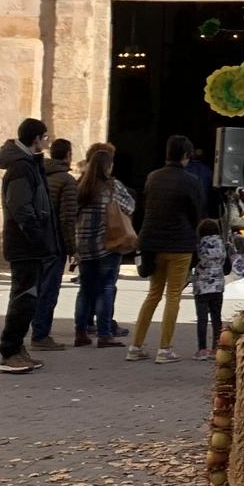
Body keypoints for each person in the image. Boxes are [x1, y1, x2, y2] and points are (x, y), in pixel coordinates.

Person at [129, 134, 205, 361]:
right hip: (179, 244)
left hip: (153, 242)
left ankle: (136, 346)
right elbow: (196, 213)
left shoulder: (153, 177)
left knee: (153, 294)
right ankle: (165, 348)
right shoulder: (191, 181)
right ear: (185, 155)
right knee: (173, 296)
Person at [0, 118, 55, 375]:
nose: (48, 141)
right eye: (45, 137)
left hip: (29, 243)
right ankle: (9, 351)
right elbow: (21, 207)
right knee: (23, 298)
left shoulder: (29, 164)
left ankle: (17, 348)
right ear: (37, 139)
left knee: (27, 299)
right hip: (25, 245)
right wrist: (37, 237)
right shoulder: (21, 167)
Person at [72, 145, 133, 348]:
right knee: (106, 288)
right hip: (108, 244)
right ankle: (104, 333)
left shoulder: (80, 187)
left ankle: (80, 332)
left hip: (84, 244)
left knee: (85, 289)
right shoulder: (113, 187)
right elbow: (130, 205)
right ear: (108, 167)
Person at [28, 139, 78, 352]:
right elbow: (67, 217)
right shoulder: (66, 180)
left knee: (36, 287)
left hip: (37, 239)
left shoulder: (39, 174)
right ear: (68, 154)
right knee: (49, 290)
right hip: (54, 242)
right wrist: (72, 248)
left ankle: (35, 330)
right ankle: (40, 334)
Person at [190, 208, 230, 360]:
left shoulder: (198, 245)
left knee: (202, 319)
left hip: (201, 286)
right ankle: (216, 348)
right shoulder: (222, 244)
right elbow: (226, 266)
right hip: (218, 286)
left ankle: (201, 349)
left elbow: (193, 262)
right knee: (216, 317)